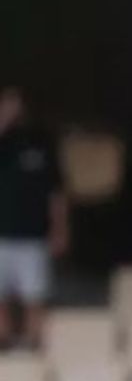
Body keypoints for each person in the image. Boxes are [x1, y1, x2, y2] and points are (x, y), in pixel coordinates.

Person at [0, 86, 69, 353]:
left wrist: (60, 229)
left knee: (34, 294)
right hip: (1, 234)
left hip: (34, 235)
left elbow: (57, 193)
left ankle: (32, 344)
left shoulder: (43, 143)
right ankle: (3, 343)